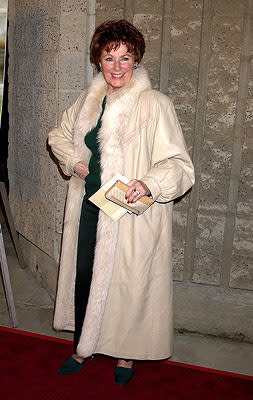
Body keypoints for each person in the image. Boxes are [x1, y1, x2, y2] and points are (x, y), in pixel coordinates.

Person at [48, 19, 194, 385]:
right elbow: (57, 136)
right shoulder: (88, 100)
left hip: (131, 214)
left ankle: (126, 353)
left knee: (127, 286)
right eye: (110, 58)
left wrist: (148, 183)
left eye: (126, 58)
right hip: (87, 207)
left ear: (137, 61)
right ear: (98, 59)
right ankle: (84, 346)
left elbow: (179, 165)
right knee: (86, 280)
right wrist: (73, 162)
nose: (117, 67)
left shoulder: (155, 104)